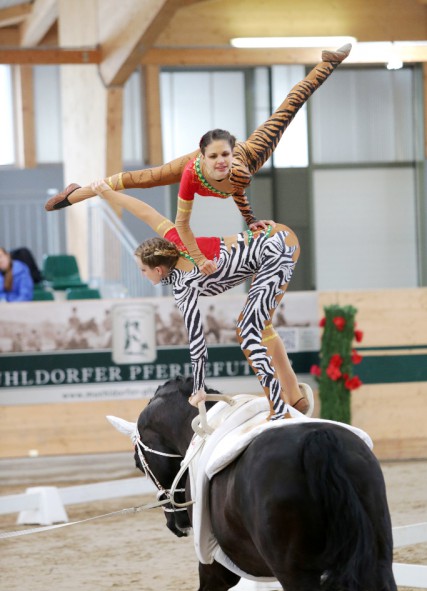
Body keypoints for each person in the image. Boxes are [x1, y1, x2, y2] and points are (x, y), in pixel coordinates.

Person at [46, 43, 351, 275]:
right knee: (148, 178)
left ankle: (328, 64)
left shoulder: (241, 168)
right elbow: (182, 224)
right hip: (193, 170)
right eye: (215, 156)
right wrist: (202, 260)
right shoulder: (192, 170)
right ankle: (75, 194)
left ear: (232, 153)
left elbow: (238, 193)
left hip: (252, 154)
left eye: (225, 156)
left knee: (288, 109)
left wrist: (251, 221)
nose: (221, 161)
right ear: (203, 155)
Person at [90, 179, 313, 421]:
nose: (141, 275)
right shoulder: (174, 239)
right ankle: (293, 394)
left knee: (247, 331)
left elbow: (198, 343)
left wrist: (199, 389)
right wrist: (106, 193)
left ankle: (279, 409)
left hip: (276, 246)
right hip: (276, 238)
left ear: (158, 270)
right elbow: (145, 212)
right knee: (261, 325)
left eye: (143, 270)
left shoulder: (184, 283)